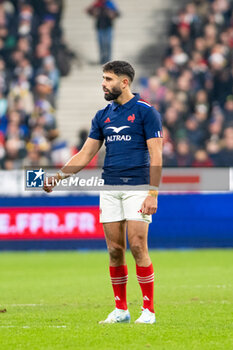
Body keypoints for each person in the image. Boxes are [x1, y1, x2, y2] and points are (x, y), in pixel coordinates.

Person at [43, 61, 163, 324]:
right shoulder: (102, 115)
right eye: (103, 78)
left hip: (137, 187)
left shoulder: (146, 112)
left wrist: (152, 194)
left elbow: (156, 154)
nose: (103, 83)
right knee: (114, 250)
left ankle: (148, 310)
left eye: (108, 79)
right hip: (109, 187)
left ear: (124, 82)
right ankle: (121, 310)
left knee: (138, 245)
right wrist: (59, 176)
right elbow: (86, 154)